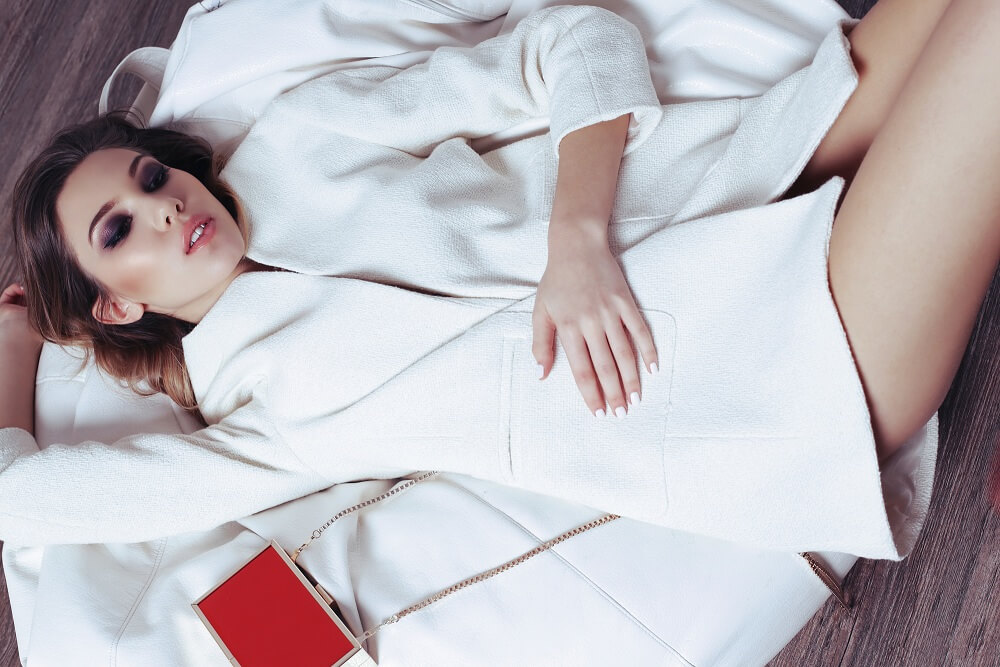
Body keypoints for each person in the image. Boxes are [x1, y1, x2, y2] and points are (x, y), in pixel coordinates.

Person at [0, 0, 996, 558]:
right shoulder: (259, 425)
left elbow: (579, 41)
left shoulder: (299, 139)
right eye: (120, 225)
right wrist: (13, 342)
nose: (167, 201)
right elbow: (15, 499)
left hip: (770, 149)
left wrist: (576, 238)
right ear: (116, 304)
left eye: (149, 173)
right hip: (797, 360)